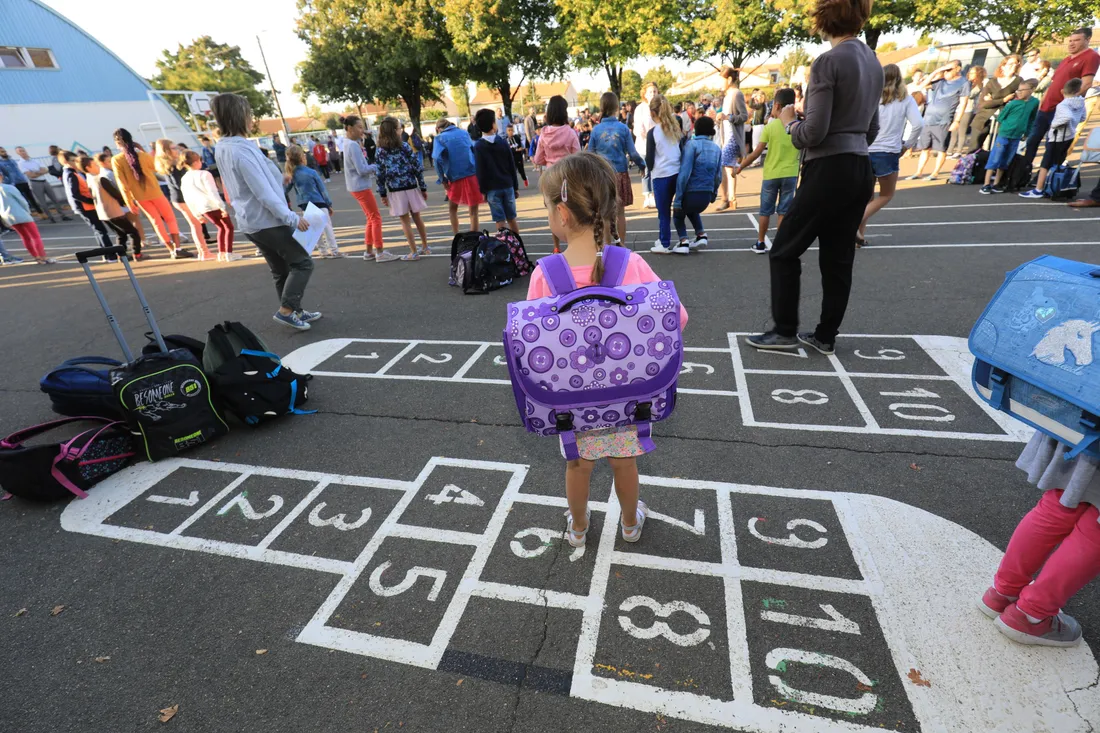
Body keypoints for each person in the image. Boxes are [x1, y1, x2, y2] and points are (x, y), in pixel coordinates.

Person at [529, 151, 688, 548]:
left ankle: (579, 528)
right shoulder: (630, 264)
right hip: (624, 399)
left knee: (578, 466)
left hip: (569, 404)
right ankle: (631, 523)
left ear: (562, 214)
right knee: (624, 462)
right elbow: (677, 319)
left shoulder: (545, 273)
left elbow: (526, 346)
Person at [746, 0, 882, 355]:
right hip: (859, 167)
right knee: (838, 258)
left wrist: (791, 121)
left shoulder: (828, 61)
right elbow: (872, 128)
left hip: (829, 169)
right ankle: (825, 335)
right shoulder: (872, 61)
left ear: (824, 17)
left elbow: (814, 133)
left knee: (784, 249)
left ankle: (785, 330)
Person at [977, 431, 1100, 647]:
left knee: (1062, 500)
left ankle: (1003, 592)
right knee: (1095, 532)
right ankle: (1032, 614)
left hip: (1086, 424)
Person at [210, 93, 319, 330]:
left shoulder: (225, 147)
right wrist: (290, 217)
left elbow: (253, 182)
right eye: (249, 114)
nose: (252, 119)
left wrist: (280, 178)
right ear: (240, 116)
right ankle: (287, 310)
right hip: (267, 221)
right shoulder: (240, 150)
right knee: (302, 263)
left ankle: (294, 311)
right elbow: (262, 192)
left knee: (280, 270)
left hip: (252, 221)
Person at [859, 64, 923, 247]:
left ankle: (859, 235)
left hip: (867, 148)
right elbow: (918, 124)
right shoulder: (905, 100)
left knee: (866, 196)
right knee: (886, 194)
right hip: (888, 151)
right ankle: (857, 224)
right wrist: (908, 145)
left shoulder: (872, 97)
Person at [739, 87, 801, 254]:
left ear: (778, 106)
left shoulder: (770, 127)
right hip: (791, 173)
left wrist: (741, 166)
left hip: (771, 174)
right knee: (783, 210)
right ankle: (780, 244)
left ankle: (760, 243)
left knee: (765, 211)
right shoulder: (798, 126)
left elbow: (757, 152)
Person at [112, 129, 191, 258]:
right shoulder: (142, 156)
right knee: (170, 219)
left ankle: (171, 250)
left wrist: (129, 202)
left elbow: (122, 183)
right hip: (155, 192)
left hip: (139, 196)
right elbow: (156, 167)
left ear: (117, 143)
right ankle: (177, 248)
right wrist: (142, 150)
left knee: (156, 222)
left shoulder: (116, 160)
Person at [1025, 29, 1099, 166]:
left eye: (1076, 40)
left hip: (1061, 109)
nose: (1071, 43)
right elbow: (1054, 82)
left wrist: (1068, 103)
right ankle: (1021, 174)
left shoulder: (1091, 56)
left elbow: (1087, 83)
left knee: (1052, 146)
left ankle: (1045, 178)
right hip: (1046, 107)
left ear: (1087, 40)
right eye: (1070, 40)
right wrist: (1043, 100)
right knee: (1032, 141)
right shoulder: (1066, 59)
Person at [587, 91, 647, 246]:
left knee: (605, 213)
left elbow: (590, 154)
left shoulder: (596, 130)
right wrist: (642, 166)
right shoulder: (623, 128)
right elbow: (632, 152)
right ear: (616, 107)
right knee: (620, 213)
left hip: (602, 174)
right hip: (620, 172)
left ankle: (606, 245)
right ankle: (622, 245)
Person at [1020, 78, 1087, 199]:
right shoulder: (1081, 102)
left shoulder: (1063, 104)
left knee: (1046, 163)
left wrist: (1054, 124)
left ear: (1062, 91)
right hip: (1069, 135)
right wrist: (1074, 123)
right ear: (1078, 91)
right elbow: (1083, 117)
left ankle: (1038, 189)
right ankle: (1051, 185)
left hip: (1057, 136)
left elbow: (1067, 117)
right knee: (1057, 161)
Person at [375, 116, 430, 260]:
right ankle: (425, 246)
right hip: (411, 185)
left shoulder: (380, 151)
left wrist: (382, 193)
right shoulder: (404, 146)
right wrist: (423, 187)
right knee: (417, 217)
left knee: (405, 221)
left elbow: (380, 174)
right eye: (399, 128)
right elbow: (416, 167)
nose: (401, 130)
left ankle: (414, 252)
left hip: (395, 189)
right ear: (394, 131)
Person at [341, 115, 394, 262]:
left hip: (355, 186)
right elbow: (362, 169)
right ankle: (380, 252)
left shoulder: (348, 143)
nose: (362, 130)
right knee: (376, 218)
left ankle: (369, 251)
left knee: (371, 218)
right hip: (360, 185)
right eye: (359, 127)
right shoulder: (352, 145)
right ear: (350, 128)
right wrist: (377, 167)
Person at [907, 60, 970, 181]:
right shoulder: (940, 81)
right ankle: (918, 172)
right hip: (928, 118)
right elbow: (922, 85)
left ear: (958, 69)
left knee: (941, 148)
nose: (946, 71)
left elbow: (963, 103)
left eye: (949, 69)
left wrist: (956, 121)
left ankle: (935, 173)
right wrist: (937, 71)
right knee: (925, 147)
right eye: (945, 69)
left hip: (944, 120)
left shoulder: (964, 83)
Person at [534, 95, 582, 253]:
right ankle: (572, 243)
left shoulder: (544, 134)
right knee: (569, 210)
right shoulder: (570, 132)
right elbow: (578, 156)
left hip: (549, 176)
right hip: (567, 177)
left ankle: (556, 246)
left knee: (552, 211)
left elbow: (538, 158)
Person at [154, 139, 212, 260]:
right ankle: (204, 252)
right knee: (196, 225)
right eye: (173, 148)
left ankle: (203, 251)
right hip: (182, 199)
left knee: (196, 225)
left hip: (179, 198)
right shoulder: (173, 165)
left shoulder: (169, 163)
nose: (177, 150)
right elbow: (178, 184)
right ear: (166, 151)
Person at [672, 115, 722, 253]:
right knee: (692, 211)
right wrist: (714, 193)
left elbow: (684, 174)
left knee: (678, 214)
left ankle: (683, 241)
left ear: (696, 129)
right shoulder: (717, 148)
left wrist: (678, 198)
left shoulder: (692, 145)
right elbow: (718, 176)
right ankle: (701, 234)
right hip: (706, 195)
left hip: (691, 192)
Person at [980, 80, 1039, 194]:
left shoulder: (1034, 102)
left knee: (1007, 159)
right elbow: (1001, 117)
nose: (1019, 93)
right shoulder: (1012, 104)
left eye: (1022, 90)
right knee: (995, 157)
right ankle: (986, 184)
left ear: (1031, 90)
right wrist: (1007, 126)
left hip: (1017, 136)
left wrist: (1027, 132)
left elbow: (1032, 118)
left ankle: (997, 183)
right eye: (1018, 90)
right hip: (1004, 134)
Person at [79, 155, 142, 260]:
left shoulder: (89, 180)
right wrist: (127, 202)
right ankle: (137, 254)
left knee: (121, 234)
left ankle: (121, 255)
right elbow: (115, 194)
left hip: (103, 213)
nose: (98, 166)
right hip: (112, 211)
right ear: (87, 168)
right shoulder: (100, 179)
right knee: (133, 232)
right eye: (94, 165)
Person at [180, 150, 240, 262]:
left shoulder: (185, 178)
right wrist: (222, 206)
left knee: (221, 228)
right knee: (228, 227)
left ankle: (222, 252)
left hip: (202, 208)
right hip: (213, 205)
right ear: (197, 161)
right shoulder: (205, 174)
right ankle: (228, 253)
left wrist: (196, 213)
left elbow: (187, 197)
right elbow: (212, 191)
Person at [284, 144, 343, 258]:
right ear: (302, 157)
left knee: (314, 228)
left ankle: (323, 251)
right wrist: (329, 203)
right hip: (318, 201)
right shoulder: (311, 172)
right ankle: (334, 250)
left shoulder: (292, 174)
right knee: (327, 227)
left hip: (305, 204)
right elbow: (322, 190)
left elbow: (285, 189)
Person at [644, 94, 685, 254]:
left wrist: (649, 169)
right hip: (677, 172)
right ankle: (684, 238)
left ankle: (664, 242)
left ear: (653, 113)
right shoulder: (675, 127)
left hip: (661, 175)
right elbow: (681, 149)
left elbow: (649, 158)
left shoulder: (652, 133)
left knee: (663, 211)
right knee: (680, 208)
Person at [57, 150, 116, 257]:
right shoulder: (70, 174)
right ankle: (110, 255)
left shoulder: (73, 173)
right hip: (84, 207)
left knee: (99, 230)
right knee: (100, 230)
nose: (76, 162)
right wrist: (91, 201)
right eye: (73, 160)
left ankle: (107, 254)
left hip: (85, 206)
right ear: (66, 162)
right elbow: (75, 194)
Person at [472, 109, 521, 236]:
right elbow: (511, 166)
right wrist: (515, 186)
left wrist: (482, 190)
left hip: (492, 189)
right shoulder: (503, 142)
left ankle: (503, 245)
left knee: (499, 220)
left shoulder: (479, 146)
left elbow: (480, 171)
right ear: (493, 124)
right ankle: (517, 244)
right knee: (511, 218)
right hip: (507, 184)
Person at [433, 118, 485, 236]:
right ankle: (474, 236)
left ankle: (456, 235)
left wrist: (442, 178)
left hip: (455, 176)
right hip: (471, 173)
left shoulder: (439, 138)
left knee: (452, 208)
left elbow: (436, 159)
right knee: (473, 210)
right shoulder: (464, 133)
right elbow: (473, 149)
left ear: (438, 129)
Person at [962, 55, 1022, 154]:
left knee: (997, 150)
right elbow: (983, 104)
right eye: (1011, 64)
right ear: (1003, 66)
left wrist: (992, 100)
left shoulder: (1018, 81)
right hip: (983, 119)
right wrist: (1004, 100)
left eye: (1016, 63)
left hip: (1003, 120)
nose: (1014, 66)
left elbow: (1017, 102)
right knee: (974, 149)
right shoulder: (992, 81)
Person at [0, 171, 54, 263]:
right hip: (21, 213)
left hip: (8, 216)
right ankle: (43, 257)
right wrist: (28, 211)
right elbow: (22, 201)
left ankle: (36, 256)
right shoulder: (9, 187)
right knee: (35, 236)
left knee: (25, 237)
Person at [715, 67, 749, 210]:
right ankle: (731, 199)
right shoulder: (728, 95)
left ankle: (726, 198)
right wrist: (720, 118)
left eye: (722, 80)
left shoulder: (736, 94)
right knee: (728, 168)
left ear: (729, 79)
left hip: (733, 137)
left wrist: (728, 117)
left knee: (723, 166)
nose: (720, 84)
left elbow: (744, 116)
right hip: (726, 136)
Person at [15, 146, 68, 222]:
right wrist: (40, 172)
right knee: (43, 202)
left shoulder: (34, 160)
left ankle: (63, 215)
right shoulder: (21, 163)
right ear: (18, 153)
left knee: (54, 199)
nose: (23, 152)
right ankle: (51, 217)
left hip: (44, 181)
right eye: (20, 151)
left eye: (23, 150)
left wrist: (36, 172)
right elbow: (31, 175)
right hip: (35, 183)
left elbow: (46, 170)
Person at [948, 65, 987, 157]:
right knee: (954, 130)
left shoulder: (979, 84)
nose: (970, 74)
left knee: (962, 130)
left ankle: (959, 151)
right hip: (958, 108)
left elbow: (970, 95)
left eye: (973, 73)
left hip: (968, 109)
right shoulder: (965, 82)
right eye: (970, 72)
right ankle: (950, 149)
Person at [633, 82, 660, 209]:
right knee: (646, 170)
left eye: (655, 91)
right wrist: (646, 136)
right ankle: (647, 195)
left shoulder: (661, 106)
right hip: (643, 144)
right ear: (645, 94)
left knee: (656, 169)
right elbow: (637, 129)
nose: (653, 94)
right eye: (650, 92)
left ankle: (656, 195)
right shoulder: (640, 109)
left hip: (658, 144)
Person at [0, 147, 45, 219]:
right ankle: (27, 216)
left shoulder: (12, 160)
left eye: (4, 151)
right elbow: (4, 175)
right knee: (22, 200)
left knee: (31, 198)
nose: (4, 153)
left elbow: (18, 170)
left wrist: (24, 178)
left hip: (22, 181)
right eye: (2, 152)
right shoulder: (1, 163)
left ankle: (40, 213)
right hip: (13, 184)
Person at [505, 123, 529, 187]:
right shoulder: (505, 140)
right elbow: (507, 150)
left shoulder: (516, 137)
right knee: (513, 172)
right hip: (511, 158)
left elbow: (521, 147)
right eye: (509, 130)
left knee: (521, 171)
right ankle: (514, 185)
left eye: (511, 130)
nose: (510, 132)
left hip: (518, 157)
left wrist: (521, 150)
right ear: (506, 131)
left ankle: (525, 179)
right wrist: (515, 150)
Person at [748, 89, 769, 158]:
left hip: (758, 126)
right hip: (758, 125)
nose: (756, 97)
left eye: (757, 96)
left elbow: (750, 105)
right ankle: (757, 159)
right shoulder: (761, 105)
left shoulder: (761, 105)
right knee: (757, 144)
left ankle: (756, 160)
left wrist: (752, 97)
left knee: (755, 144)